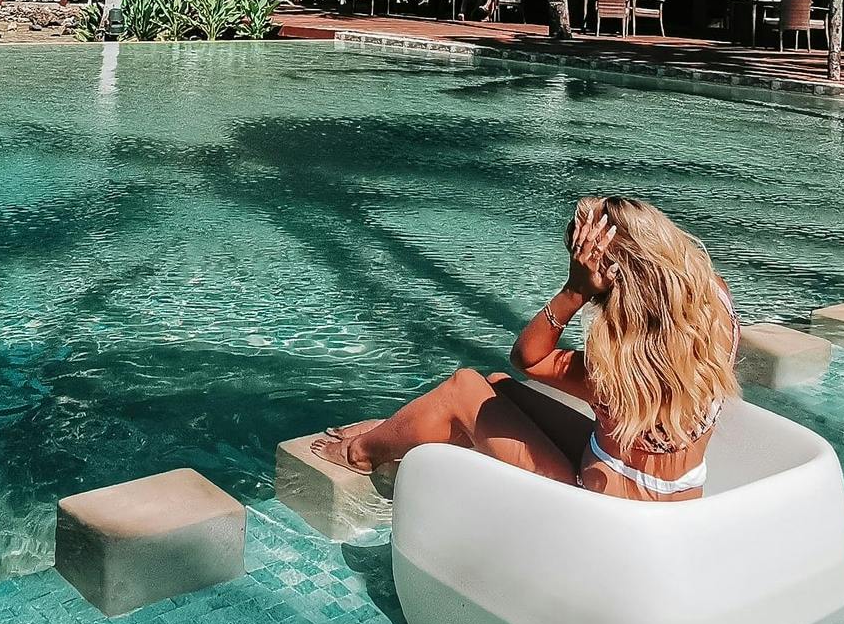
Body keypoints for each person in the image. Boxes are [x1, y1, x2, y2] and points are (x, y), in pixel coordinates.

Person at [315, 196, 741, 502]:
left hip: (596, 514)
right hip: (667, 498)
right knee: (499, 388)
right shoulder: (715, 310)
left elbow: (529, 358)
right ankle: (396, 428)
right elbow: (515, 375)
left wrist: (573, 291)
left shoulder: (618, 372)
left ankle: (361, 454)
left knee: (465, 387)